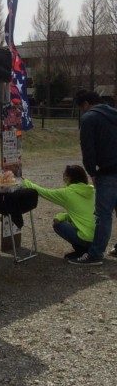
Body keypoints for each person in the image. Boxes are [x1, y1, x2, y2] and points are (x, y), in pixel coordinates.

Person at [69, 90, 117, 265]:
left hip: (107, 171)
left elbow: (88, 150)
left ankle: (96, 254)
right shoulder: (114, 113)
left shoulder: (89, 118)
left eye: (81, 107)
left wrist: (92, 172)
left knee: (103, 215)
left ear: (86, 104)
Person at [23, 165, 95, 260]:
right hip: (98, 238)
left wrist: (25, 182)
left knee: (58, 225)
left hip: (86, 238)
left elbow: (45, 192)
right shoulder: (92, 190)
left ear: (69, 178)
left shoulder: (67, 193)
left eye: (64, 174)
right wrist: (62, 216)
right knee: (69, 220)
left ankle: (81, 251)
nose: (63, 176)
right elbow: (82, 213)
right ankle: (88, 250)